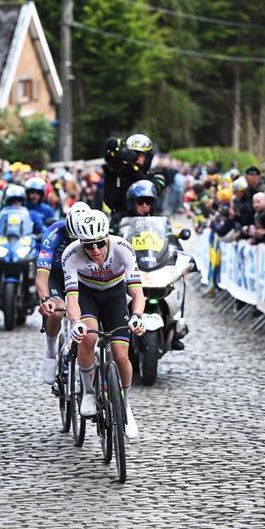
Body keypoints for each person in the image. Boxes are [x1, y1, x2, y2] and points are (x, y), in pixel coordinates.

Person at [62, 210, 146, 439]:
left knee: (120, 355)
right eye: (89, 245)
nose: (96, 250)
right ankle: (89, 391)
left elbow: (137, 293)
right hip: (87, 295)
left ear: (107, 236)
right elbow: (72, 299)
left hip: (115, 295)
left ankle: (126, 405)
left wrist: (137, 315)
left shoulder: (122, 248)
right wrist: (76, 323)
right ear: (80, 243)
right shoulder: (71, 255)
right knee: (88, 337)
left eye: (100, 243)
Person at [36, 201, 91, 383]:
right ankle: (51, 351)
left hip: (82, 275)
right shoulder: (54, 233)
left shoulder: (93, 232)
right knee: (57, 310)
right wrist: (45, 299)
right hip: (57, 275)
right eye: (70, 238)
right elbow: (42, 274)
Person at [102, 133, 166, 213]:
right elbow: (110, 201)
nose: (135, 158)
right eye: (133, 154)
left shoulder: (157, 176)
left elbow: (149, 190)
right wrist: (112, 166)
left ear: (148, 158)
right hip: (122, 221)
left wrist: (133, 169)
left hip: (149, 221)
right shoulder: (121, 174)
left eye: (140, 155)